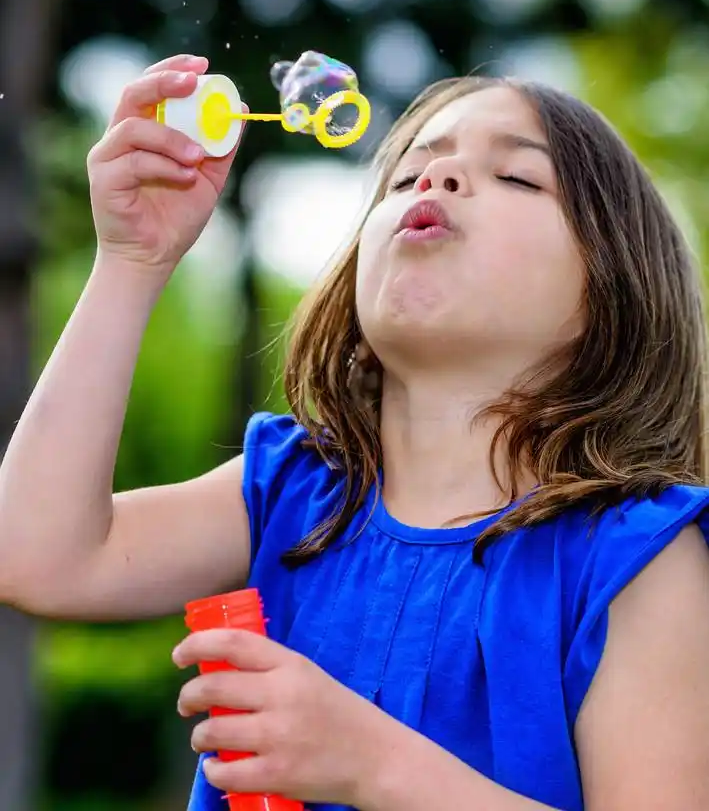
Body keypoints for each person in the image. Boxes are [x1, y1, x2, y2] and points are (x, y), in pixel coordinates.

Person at [0, 52, 708, 811]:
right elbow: (36, 558)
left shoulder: (636, 559)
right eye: (407, 176)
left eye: (517, 176)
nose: (435, 179)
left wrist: (374, 765)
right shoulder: (293, 491)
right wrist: (131, 260)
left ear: (614, 291)